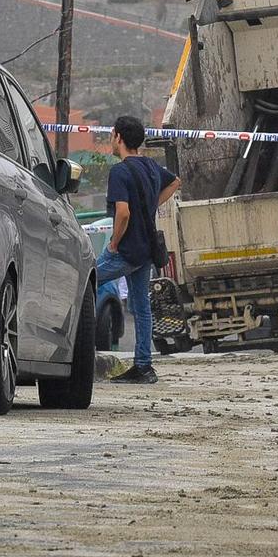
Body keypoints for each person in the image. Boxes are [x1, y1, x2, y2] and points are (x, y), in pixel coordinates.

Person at [99, 114, 178, 384]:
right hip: (146, 250)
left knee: (84, 280)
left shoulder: (119, 172)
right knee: (142, 307)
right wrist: (151, 205)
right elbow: (175, 181)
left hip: (127, 250)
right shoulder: (151, 167)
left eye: (112, 135)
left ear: (119, 137)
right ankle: (143, 366)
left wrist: (113, 243)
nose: (110, 140)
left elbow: (122, 213)